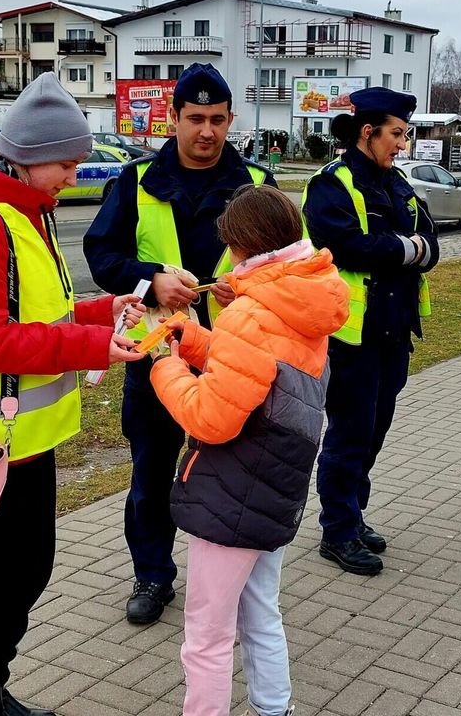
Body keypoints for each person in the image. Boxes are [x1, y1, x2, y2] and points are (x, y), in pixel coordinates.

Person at [0, 72, 148, 716]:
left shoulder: (26, 216)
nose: (74, 175)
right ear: (33, 159)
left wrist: (106, 312)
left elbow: (47, 311)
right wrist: (94, 347)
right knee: (5, 575)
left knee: (20, 570)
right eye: (68, 163)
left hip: (20, 438)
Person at [83, 63, 276, 624]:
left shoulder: (257, 187)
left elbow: (288, 264)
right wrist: (149, 278)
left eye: (218, 119)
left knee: (233, 472)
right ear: (173, 118)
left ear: (231, 119)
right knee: (151, 472)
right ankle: (152, 575)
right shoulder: (135, 181)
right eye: (195, 118)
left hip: (233, 355)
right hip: (159, 356)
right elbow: (102, 257)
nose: (207, 131)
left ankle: (231, 578)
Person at [150, 185, 347, 716]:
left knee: (207, 639)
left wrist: (165, 368)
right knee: (261, 613)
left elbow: (210, 419)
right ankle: (273, 708)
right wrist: (192, 342)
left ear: (240, 248)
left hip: (234, 493)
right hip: (277, 484)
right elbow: (258, 367)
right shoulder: (301, 298)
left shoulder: (251, 314)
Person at [301, 86, 439, 576]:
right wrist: (407, 249)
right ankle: (337, 531)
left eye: (405, 134)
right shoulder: (331, 184)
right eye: (397, 134)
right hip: (351, 334)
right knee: (350, 431)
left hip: (396, 328)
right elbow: (344, 247)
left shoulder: (398, 183)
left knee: (376, 429)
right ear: (368, 132)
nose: (402, 144)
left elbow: (433, 245)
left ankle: (353, 515)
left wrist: (400, 247)